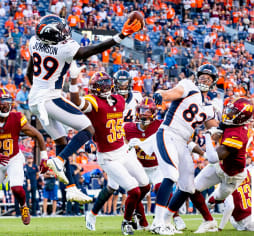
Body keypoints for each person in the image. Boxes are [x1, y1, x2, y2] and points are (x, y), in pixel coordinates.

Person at [26, 15, 142, 205]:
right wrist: (120, 36)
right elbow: (90, 51)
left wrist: (38, 88)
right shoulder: (64, 48)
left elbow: (29, 72)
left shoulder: (34, 42)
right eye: (61, 31)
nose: (65, 32)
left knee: (62, 141)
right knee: (88, 128)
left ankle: (71, 189)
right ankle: (59, 161)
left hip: (36, 98)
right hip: (49, 97)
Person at [70, 70, 150, 235]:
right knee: (133, 190)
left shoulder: (119, 100)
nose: (105, 88)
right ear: (94, 88)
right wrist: (73, 83)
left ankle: (129, 210)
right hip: (108, 156)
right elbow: (78, 103)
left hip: (124, 150)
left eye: (107, 84)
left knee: (145, 185)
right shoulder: (93, 101)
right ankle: (127, 222)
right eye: (101, 85)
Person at [150, 64, 219, 235]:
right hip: (168, 133)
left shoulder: (209, 107)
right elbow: (173, 93)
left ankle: (166, 220)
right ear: (197, 76)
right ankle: (157, 223)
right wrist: (161, 95)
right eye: (202, 76)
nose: (205, 79)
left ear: (213, 83)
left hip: (183, 143)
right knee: (171, 175)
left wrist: (220, 128)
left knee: (188, 187)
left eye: (209, 78)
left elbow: (215, 129)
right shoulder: (189, 86)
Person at [0, 88, 48, 234]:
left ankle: (24, 206)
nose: (5, 105)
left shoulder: (17, 117)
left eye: (7, 101)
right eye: (1, 102)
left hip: (14, 159)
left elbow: (38, 136)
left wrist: (44, 157)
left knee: (16, 187)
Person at [188, 98, 254, 232]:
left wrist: (207, 136)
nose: (229, 113)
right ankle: (208, 221)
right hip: (220, 166)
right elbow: (217, 127)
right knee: (192, 188)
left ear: (241, 117)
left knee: (217, 198)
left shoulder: (239, 134)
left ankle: (214, 206)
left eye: (234, 112)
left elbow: (212, 158)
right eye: (230, 109)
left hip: (232, 177)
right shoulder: (233, 122)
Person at [124, 98, 186, 231]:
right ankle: (142, 222)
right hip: (139, 167)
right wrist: (125, 145)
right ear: (136, 111)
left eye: (148, 111)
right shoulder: (128, 128)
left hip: (157, 166)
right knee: (136, 193)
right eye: (142, 110)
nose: (144, 113)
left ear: (154, 112)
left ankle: (174, 216)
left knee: (161, 187)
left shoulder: (161, 125)